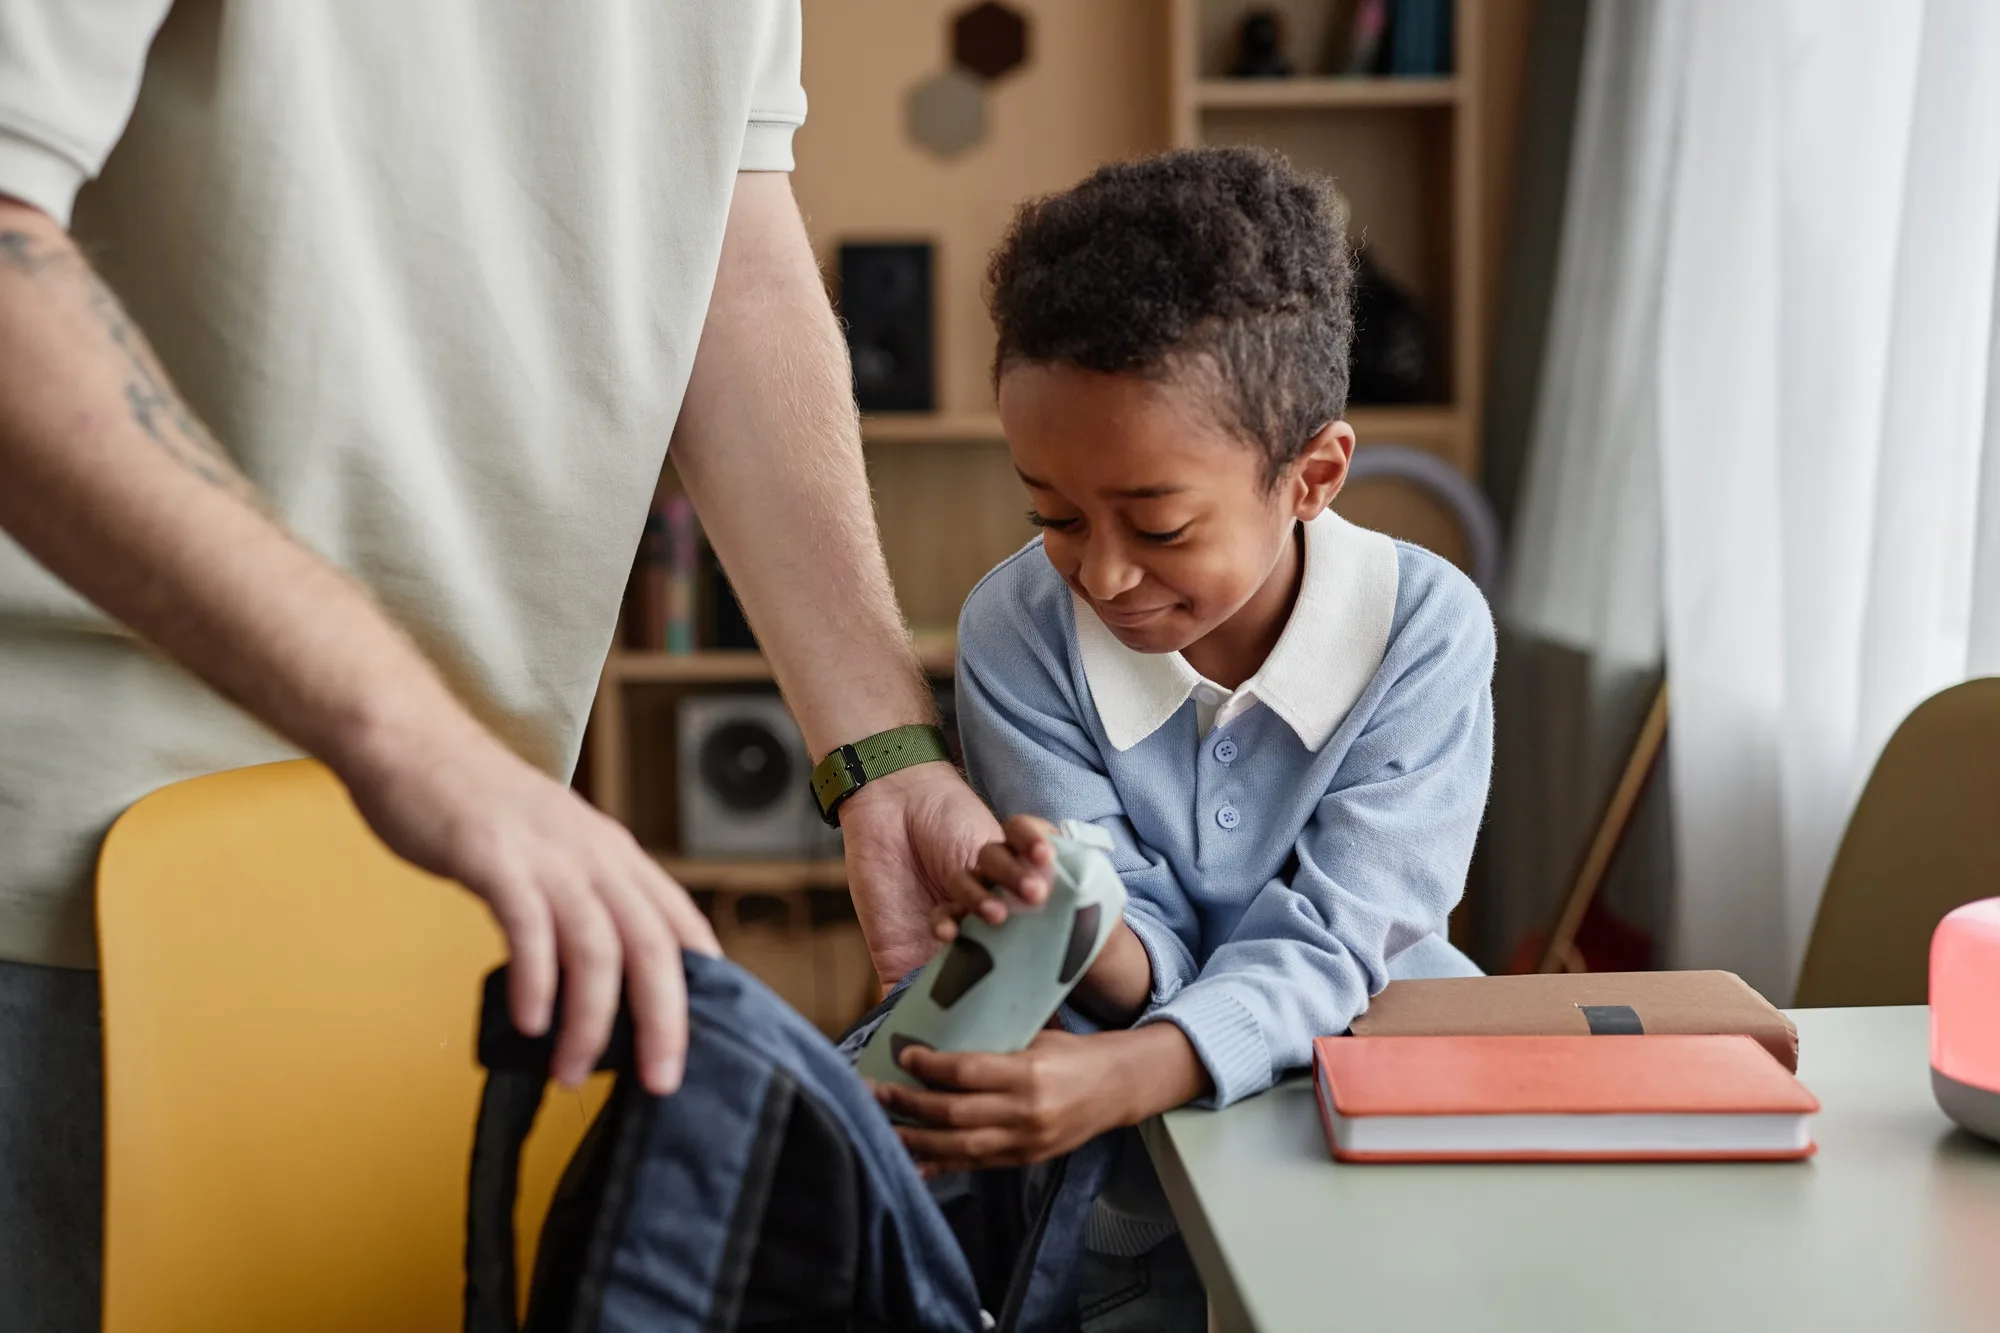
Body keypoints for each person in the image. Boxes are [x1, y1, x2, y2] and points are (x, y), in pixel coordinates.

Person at [0, 5, 996, 1326]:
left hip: (469, 873)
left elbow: (728, 253)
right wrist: (424, 746)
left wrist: (883, 749)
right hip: (74, 876)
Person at [866, 147, 1494, 1330]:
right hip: (1120, 1176)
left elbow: (1343, 942)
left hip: (1362, 1113)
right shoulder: (1019, 625)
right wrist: (1067, 913)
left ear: (1311, 474)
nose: (1099, 571)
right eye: (1050, 513)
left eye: (1156, 523)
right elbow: (1132, 927)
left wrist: (1131, 1070)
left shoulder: (1425, 631)